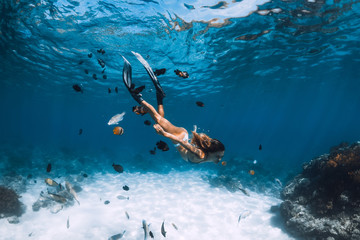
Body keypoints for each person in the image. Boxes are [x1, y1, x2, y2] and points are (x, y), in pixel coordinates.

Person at [122, 52, 225, 164]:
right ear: (211, 151)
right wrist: (164, 134)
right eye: (218, 156)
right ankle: (138, 98)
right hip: (178, 137)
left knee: (160, 118)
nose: (219, 160)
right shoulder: (201, 155)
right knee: (158, 119)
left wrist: (194, 133)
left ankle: (159, 97)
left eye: (220, 157)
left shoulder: (204, 154)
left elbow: (188, 144)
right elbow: (183, 143)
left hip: (182, 135)